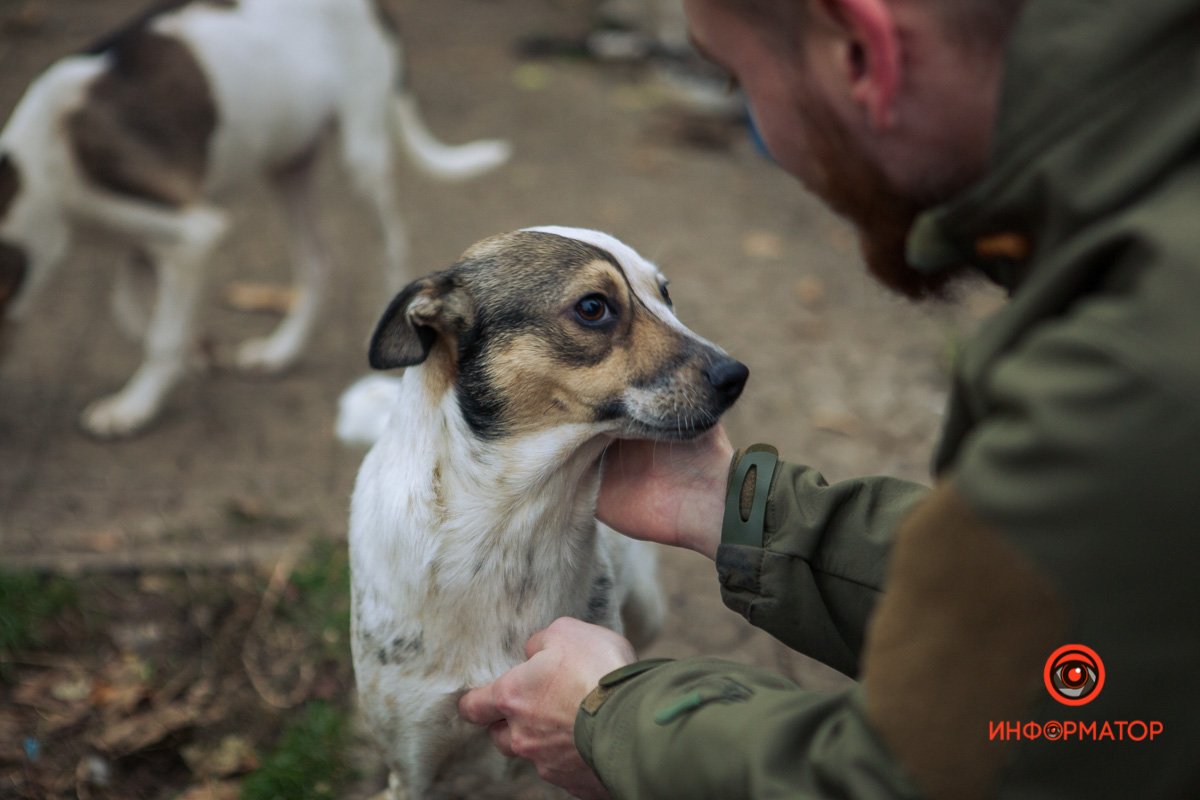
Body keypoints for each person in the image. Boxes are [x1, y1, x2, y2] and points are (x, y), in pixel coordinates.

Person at [460, 0, 1200, 796]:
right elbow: (1085, 632)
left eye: (739, 79)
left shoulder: (1133, 359)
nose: (762, 133)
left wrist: (612, 718)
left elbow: (920, 777)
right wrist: (740, 511)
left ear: (861, 55)